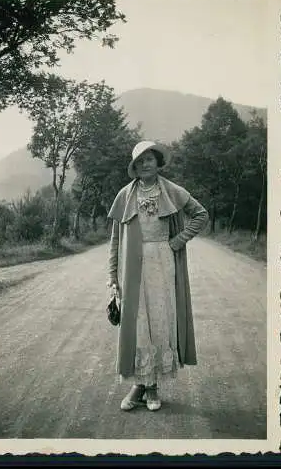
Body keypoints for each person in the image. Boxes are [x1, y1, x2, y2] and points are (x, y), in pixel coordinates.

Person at [107, 140, 209, 411]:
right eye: (139, 162)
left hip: (163, 264)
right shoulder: (124, 195)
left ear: (157, 162)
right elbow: (116, 239)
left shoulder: (172, 191)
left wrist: (178, 241)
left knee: (161, 322)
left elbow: (200, 215)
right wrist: (112, 275)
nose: (145, 164)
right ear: (134, 167)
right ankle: (141, 384)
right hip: (132, 268)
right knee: (138, 324)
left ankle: (152, 388)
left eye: (149, 159)